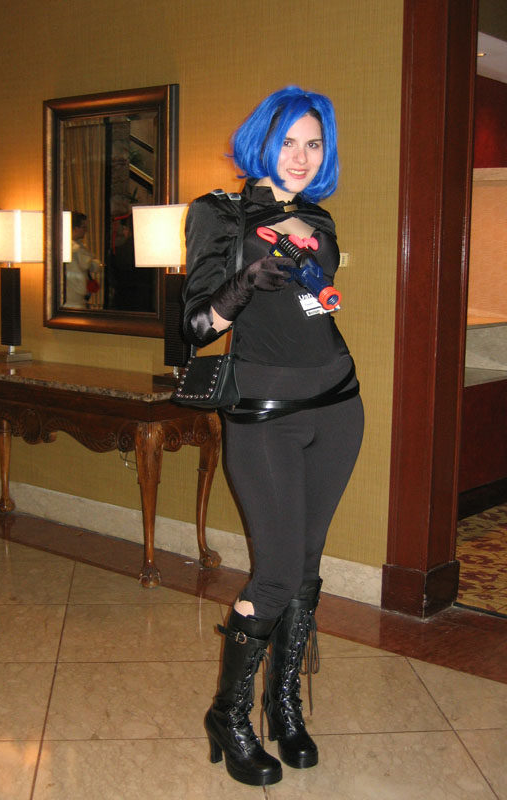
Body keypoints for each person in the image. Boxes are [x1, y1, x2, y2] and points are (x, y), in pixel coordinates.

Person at [182, 86, 364, 787]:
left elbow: (317, 306)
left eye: (313, 143)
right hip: (263, 415)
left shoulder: (318, 217)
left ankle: (284, 707)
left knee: (307, 565)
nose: (301, 156)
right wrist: (247, 281)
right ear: (262, 139)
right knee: (278, 571)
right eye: (288, 140)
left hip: (338, 405)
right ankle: (228, 715)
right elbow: (197, 326)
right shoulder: (217, 214)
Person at [63, 211, 101, 308]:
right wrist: (97, 263)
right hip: (73, 297)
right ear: (75, 229)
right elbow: (87, 264)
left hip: (76, 295)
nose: (86, 230)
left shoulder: (77, 246)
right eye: (83, 227)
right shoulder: (72, 247)